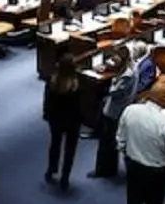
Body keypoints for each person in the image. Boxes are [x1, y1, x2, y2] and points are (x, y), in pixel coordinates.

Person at [90, 48, 137, 179]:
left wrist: (113, 80)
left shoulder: (127, 75)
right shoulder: (132, 67)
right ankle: (110, 169)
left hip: (114, 111)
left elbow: (114, 92)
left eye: (116, 57)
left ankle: (102, 170)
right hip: (121, 109)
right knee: (111, 141)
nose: (113, 60)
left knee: (106, 142)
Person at [43, 54, 82, 190]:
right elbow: (79, 106)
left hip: (55, 119)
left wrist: (47, 115)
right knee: (70, 150)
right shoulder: (76, 85)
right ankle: (65, 178)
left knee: (55, 144)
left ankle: (51, 170)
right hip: (72, 121)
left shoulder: (51, 81)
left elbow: (47, 101)